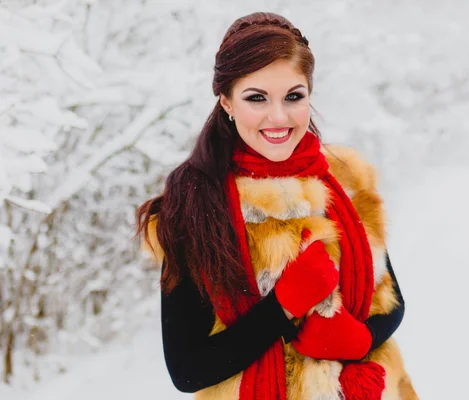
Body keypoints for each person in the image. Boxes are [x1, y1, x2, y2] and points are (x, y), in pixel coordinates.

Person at [136, 11, 418, 400]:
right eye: (256, 98)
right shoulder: (196, 207)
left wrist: (360, 339)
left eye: (293, 96)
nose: (278, 117)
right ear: (227, 102)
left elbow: (392, 301)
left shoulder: (345, 184)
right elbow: (187, 370)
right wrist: (282, 307)